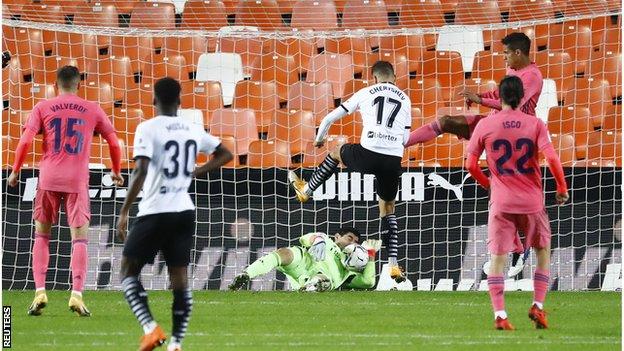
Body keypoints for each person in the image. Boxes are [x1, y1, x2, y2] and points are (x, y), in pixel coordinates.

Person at [407, 32, 542, 276]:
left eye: (506, 54)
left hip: (514, 136)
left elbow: (512, 105)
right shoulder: (514, 73)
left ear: (519, 53)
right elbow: (501, 96)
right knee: (447, 120)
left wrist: (479, 99)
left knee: (505, 200)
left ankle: (517, 252)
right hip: (494, 126)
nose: (504, 58)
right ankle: (402, 143)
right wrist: (479, 96)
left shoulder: (532, 76)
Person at [116, 77, 233, 351]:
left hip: (156, 210)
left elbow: (141, 170)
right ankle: (177, 343)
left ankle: (150, 328)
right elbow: (226, 153)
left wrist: (124, 210)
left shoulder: (147, 128)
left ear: (154, 100)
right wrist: (197, 172)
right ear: (180, 102)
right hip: (184, 210)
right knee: (179, 280)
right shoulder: (192, 129)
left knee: (127, 272)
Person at [7, 65, 123, 317]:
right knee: (79, 239)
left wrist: (16, 170)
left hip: (48, 179)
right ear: (79, 84)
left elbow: (25, 140)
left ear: (55, 85)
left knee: (42, 236)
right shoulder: (92, 108)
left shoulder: (42, 107)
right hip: (77, 181)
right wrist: (115, 170)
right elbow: (114, 141)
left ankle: (40, 291)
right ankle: (77, 295)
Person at [288, 61, 411, 283]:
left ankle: (306, 189)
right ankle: (393, 266)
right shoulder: (405, 99)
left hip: (368, 153)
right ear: (394, 77)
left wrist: (319, 139)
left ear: (374, 78)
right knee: (388, 209)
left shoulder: (365, 92)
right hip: (392, 158)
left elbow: (329, 118)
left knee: (336, 152)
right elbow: (405, 139)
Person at [464, 76, 569, 330]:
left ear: (499, 98)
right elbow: (552, 158)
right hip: (532, 202)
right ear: (522, 98)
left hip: (501, 203)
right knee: (543, 253)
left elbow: (470, 165)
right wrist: (561, 186)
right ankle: (538, 306)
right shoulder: (535, 124)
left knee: (497, 259)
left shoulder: (486, 125)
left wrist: (490, 186)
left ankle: (500, 315)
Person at [229, 227, 380, 292]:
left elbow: (368, 282)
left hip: (321, 277)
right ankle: (246, 275)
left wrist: (371, 254)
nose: (352, 243)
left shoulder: (349, 267)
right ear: (337, 237)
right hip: (303, 262)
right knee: (284, 253)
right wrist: (317, 240)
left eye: (355, 241)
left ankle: (310, 287)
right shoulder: (325, 239)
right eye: (349, 238)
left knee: (322, 280)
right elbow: (305, 239)